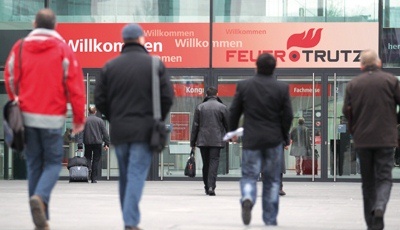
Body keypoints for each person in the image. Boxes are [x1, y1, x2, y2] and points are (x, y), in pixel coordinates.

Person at [4, 8, 85, 230]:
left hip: (27, 117)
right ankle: (40, 199)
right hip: (52, 118)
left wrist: (16, 99)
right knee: (51, 163)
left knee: (33, 166)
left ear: (34, 24)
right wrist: (78, 117)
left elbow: (9, 77)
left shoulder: (19, 48)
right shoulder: (63, 50)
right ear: (55, 26)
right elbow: (76, 87)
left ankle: (41, 220)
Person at [95, 23, 174, 230]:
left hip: (119, 130)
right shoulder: (155, 64)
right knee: (137, 174)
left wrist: (114, 117)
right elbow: (167, 97)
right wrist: (158, 118)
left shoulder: (110, 66)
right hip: (145, 130)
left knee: (125, 175)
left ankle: (128, 218)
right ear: (141, 39)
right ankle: (130, 222)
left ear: (123, 40)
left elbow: (99, 99)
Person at [229, 53, 293, 226]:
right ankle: (270, 218)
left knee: (249, 174)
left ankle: (248, 196)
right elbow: (288, 115)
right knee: (272, 179)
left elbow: (234, 111)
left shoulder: (244, 86)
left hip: (252, 139)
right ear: (274, 68)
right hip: (273, 140)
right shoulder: (282, 88)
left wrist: (233, 131)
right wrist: (284, 135)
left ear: (256, 66)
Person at [342, 49, 400, 230]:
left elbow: (346, 112)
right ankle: (380, 206)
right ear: (379, 63)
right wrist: (394, 124)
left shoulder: (353, 84)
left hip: (363, 140)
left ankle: (372, 224)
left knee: (367, 183)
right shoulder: (391, 81)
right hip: (385, 139)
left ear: (361, 65)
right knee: (384, 178)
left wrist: (355, 129)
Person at [190, 87, 229, 196]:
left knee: (206, 163)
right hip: (216, 140)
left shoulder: (200, 107)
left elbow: (195, 127)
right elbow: (227, 124)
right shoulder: (222, 107)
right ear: (217, 94)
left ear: (206, 95)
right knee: (214, 162)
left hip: (203, 140)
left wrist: (192, 142)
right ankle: (211, 186)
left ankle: (207, 186)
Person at [82, 106, 110, 183]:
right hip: (97, 143)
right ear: (95, 112)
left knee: (87, 158)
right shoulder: (100, 121)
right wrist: (106, 143)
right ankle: (94, 178)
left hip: (87, 142)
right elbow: (105, 133)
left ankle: (89, 169)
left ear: (88, 112)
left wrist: (80, 144)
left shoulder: (85, 120)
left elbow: (80, 132)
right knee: (96, 160)